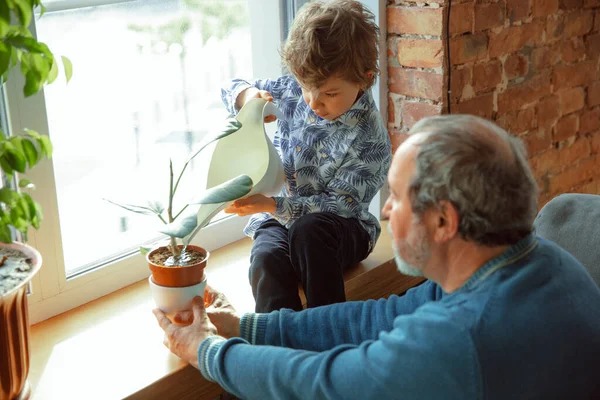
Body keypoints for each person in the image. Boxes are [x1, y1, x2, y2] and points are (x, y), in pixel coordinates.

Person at [154, 114, 600, 399]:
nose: (385, 209)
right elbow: (380, 318)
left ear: (444, 223)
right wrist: (249, 326)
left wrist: (208, 350)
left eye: (399, 197)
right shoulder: (537, 263)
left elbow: (322, 383)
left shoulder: (459, 336)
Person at [220, 0, 392, 312]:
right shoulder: (290, 92)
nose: (313, 102)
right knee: (266, 257)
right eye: (305, 86)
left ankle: (326, 333)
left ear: (365, 79)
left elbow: (339, 205)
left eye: (329, 94)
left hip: (343, 229)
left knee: (309, 230)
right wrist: (248, 98)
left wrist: (273, 204)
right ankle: (278, 341)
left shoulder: (370, 138)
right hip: (280, 217)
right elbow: (229, 88)